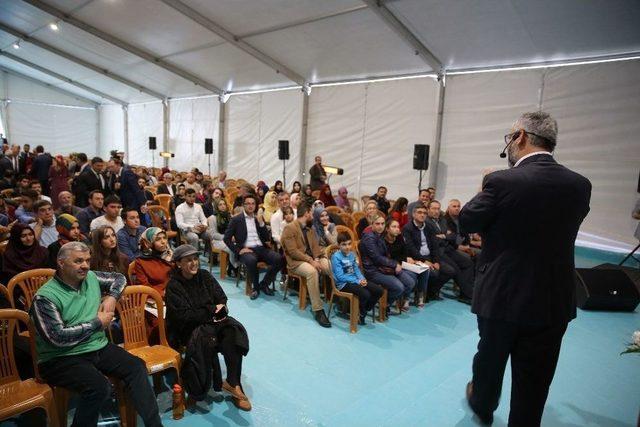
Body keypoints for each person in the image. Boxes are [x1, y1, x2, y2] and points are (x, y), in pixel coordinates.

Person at [460, 111, 591, 426]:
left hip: (502, 296)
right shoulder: (580, 185)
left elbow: (468, 220)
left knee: (489, 361)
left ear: (519, 136)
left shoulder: (502, 181)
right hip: (552, 299)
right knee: (535, 382)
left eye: (510, 139)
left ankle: (483, 405)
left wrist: (485, 187)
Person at [29, 242, 163, 427]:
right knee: (99, 387)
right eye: (78, 261)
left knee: (136, 366)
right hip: (60, 358)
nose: (85, 265)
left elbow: (119, 279)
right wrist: (96, 323)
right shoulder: (45, 297)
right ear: (61, 263)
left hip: (95, 346)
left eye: (87, 260)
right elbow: (57, 338)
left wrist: (112, 297)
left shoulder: (90, 277)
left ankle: (154, 425)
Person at [165, 244, 251, 411]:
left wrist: (220, 308)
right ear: (179, 264)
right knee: (207, 339)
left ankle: (233, 383)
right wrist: (211, 309)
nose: (194, 263)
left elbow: (221, 298)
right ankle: (196, 391)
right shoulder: (174, 286)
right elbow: (184, 317)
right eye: (188, 260)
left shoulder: (205, 276)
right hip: (186, 330)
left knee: (233, 331)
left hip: (210, 323)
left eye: (196, 258)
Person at [281, 204, 332, 327]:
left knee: (329, 266)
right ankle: (318, 309)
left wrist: (317, 258)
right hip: (296, 262)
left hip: (311, 258)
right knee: (312, 272)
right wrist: (311, 261)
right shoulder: (290, 228)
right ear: (306, 214)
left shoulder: (310, 229)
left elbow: (315, 246)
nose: (314, 216)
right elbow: (293, 252)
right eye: (312, 213)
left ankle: (335, 296)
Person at [224, 194, 282, 300]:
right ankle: (255, 288)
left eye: (253, 203)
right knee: (251, 260)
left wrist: (261, 224)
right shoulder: (236, 219)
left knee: (279, 258)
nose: (250, 206)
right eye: (248, 204)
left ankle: (264, 284)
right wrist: (238, 250)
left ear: (255, 205)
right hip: (247, 250)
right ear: (243, 205)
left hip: (260, 247)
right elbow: (226, 239)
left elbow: (266, 238)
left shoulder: (258, 218)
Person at [359, 213, 415, 313]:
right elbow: (377, 258)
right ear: (372, 224)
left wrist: (394, 264)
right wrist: (394, 264)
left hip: (384, 267)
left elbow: (385, 255)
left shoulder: (379, 235)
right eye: (377, 224)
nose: (380, 226)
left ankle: (386, 302)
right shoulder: (369, 238)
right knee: (399, 287)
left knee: (410, 282)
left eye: (382, 223)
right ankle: (384, 305)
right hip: (373, 271)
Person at [426, 199, 475, 304]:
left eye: (438, 209)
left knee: (468, 263)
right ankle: (468, 295)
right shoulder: (427, 222)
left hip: (448, 248)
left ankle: (465, 292)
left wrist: (444, 236)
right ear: (428, 210)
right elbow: (434, 240)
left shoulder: (442, 220)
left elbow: (453, 236)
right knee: (455, 269)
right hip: (438, 251)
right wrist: (446, 236)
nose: (436, 211)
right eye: (434, 208)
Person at [402, 204, 454, 301]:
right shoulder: (407, 228)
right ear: (413, 214)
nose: (422, 215)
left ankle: (430, 292)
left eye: (425, 213)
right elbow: (411, 248)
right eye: (419, 212)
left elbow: (435, 246)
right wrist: (424, 261)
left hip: (429, 257)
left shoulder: (429, 227)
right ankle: (422, 294)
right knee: (434, 273)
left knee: (449, 271)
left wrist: (436, 261)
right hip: (416, 258)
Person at [331, 232, 384, 324]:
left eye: (349, 244)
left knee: (379, 290)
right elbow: (340, 277)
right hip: (343, 284)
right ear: (339, 245)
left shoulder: (351, 254)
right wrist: (357, 281)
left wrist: (362, 279)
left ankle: (364, 310)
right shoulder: (336, 257)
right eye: (344, 244)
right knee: (366, 294)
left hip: (355, 280)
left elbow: (356, 269)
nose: (347, 247)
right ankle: (362, 314)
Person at [384, 218, 430, 308]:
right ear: (387, 229)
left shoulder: (399, 237)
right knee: (412, 276)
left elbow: (405, 253)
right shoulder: (383, 241)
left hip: (402, 263)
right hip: (393, 266)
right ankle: (406, 299)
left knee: (425, 269)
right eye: (394, 227)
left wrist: (409, 260)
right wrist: (401, 261)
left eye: (398, 227)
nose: (397, 229)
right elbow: (388, 257)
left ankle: (419, 296)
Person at [133, 227, 173, 297]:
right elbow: (145, 287)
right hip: (155, 297)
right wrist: (164, 294)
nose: (163, 242)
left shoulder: (169, 255)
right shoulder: (140, 261)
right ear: (148, 243)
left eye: (164, 238)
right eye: (158, 239)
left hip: (173, 292)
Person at [206, 198, 237, 272]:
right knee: (233, 248)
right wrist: (227, 237)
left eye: (224, 204)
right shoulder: (212, 218)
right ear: (216, 206)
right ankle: (235, 267)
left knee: (241, 245)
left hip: (229, 239)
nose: (223, 206)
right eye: (220, 205)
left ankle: (231, 268)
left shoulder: (229, 216)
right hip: (218, 241)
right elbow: (213, 235)